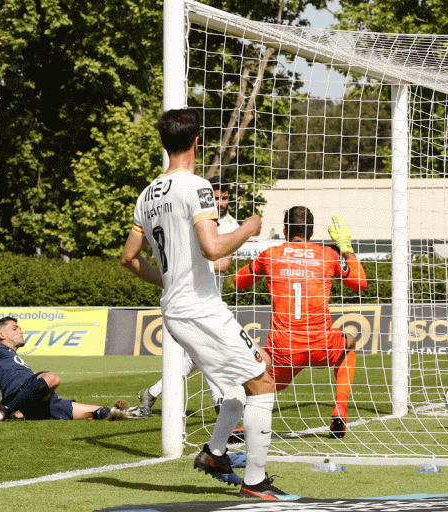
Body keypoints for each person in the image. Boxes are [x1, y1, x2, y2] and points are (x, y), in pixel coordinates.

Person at [121, 108, 297, 500]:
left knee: (246, 379)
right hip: (200, 309)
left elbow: (129, 259)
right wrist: (251, 228)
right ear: (197, 142)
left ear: (164, 143)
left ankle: (215, 454)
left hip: (178, 309)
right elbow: (213, 248)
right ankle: (255, 483)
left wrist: (167, 281)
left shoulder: (146, 195)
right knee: (262, 382)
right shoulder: (197, 185)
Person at [233, 206, 367, 439]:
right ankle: (340, 410)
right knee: (349, 343)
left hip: (284, 349)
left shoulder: (270, 255)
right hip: (320, 345)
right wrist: (346, 249)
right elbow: (361, 283)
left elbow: (237, 281)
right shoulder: (327, 254)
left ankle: (242, 424)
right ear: (312, 232)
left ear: (285, 230)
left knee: (263, 384)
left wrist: (261, 269)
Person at [138, 173, 240, 415]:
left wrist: (186, 260)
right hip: (185, 295)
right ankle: (219, 401)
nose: (221, 202)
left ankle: (152, 393)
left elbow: (223, 264)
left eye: (225, 198)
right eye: (216, 197)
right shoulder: (194, 213)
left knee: (201, 353)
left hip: (211, 298)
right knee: (206, 351)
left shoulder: (231, 225)